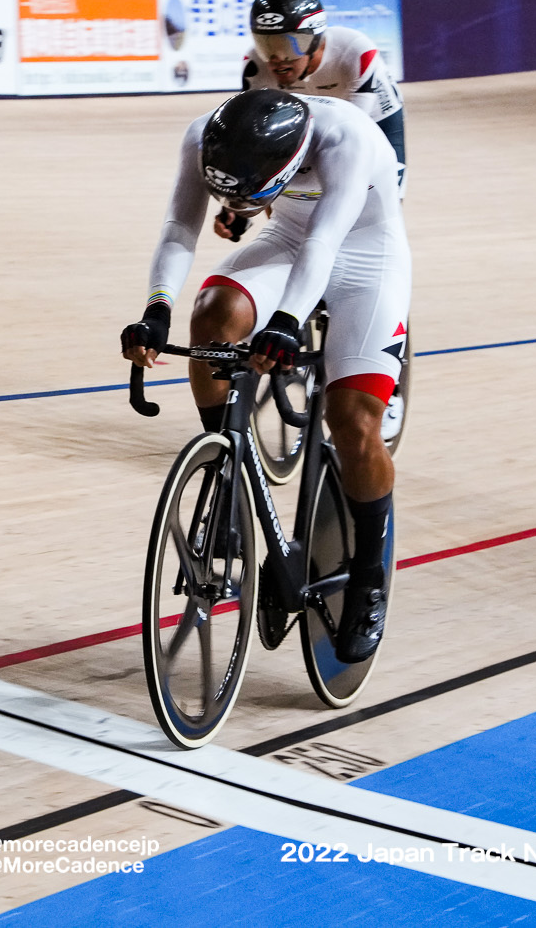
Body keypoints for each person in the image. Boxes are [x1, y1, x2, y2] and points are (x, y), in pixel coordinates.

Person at [119, 87, 408, 663]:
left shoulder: (344, 136)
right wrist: (156, 308)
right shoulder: (208, 135)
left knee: (352, 421)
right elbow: (181, 224)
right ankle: (224, 466)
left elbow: (326, 242)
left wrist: (283, 323)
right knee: (213, 318)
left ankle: (370, 576)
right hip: (291, 236)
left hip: (365, 254)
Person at [239, 0, 405, 193]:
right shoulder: (254, 63)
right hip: (315, 117)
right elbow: (253, 139)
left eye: (287, 46)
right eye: (266, 45)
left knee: (387, 195)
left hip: (375, 116)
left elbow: (354, 132)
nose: (276, 59)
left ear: (314, 40)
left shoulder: (355, 51)